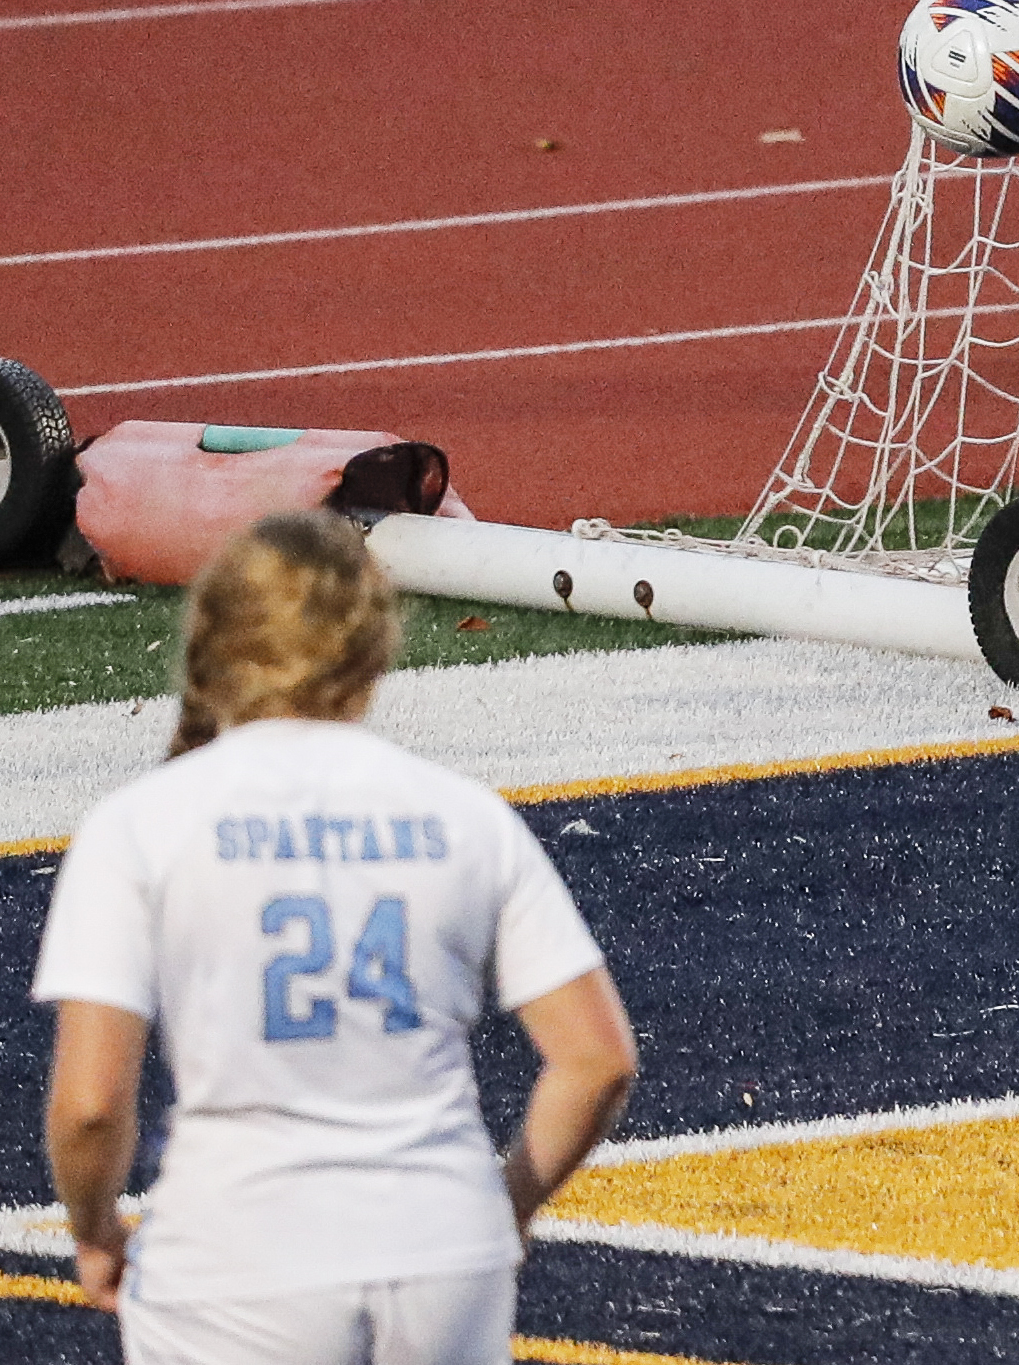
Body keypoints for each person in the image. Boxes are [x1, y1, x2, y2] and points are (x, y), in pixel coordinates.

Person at [35, 510, 640, 1363]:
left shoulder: (143, 824)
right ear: (372, 645)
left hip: (239, 1253)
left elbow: (92, 1105)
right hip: (442, 1250)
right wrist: (499, 1207)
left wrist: (95, 1231)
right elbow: (598, 1059)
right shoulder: (464, 815)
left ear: (214, 638)